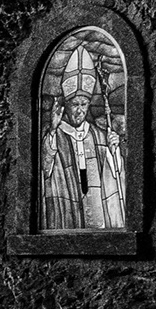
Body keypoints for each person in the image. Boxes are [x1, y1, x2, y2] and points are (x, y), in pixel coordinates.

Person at [42, 47, 125, 229]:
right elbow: (45, 169)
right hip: (67, 212)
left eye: (84, 104)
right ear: (66, 105)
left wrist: (114, 151)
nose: (80, 110)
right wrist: (53, 130)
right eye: (75, 104)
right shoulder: (56, 134)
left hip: (97, 213)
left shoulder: (98, 135)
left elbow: (114, 175)